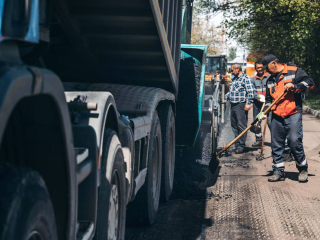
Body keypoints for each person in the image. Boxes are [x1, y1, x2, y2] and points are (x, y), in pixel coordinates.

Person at [257, 54, 314, 182]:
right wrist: (263, 112)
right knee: (276, 144)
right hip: (276, 115)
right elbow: (268, 100)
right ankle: (278, 171)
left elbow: (310, 83)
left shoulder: (293, 71)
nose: (266, 70)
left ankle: (302, 168)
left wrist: (295, 86)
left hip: (293, 112)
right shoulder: (270, 80)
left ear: (274, 63)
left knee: (294, 141)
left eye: (267, 67)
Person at [225, 63, 254, 154]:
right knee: (234, 125)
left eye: (232, 70)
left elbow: (251, 92)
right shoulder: (234, 79)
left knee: (241, 125)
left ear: (238, 69)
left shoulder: (246, 78)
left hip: (240, 104)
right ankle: (236, 144)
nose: (231, 72)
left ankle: (241, 146)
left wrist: (248, 103)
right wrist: (224, 97)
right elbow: (231, 92)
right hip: (233, 104)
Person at [251, 61, 270, 147]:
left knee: (271, 122)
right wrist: (258, 96)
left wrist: (268, 98)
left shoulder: (269, 77)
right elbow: (251, 91)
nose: (260, 69)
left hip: (269, 104)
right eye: (258, 68)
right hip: (257, 104)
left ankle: (277, 141)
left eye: (261, 67)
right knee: (257, 122)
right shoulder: (253, 79)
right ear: (256, 69)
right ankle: (258, 140)